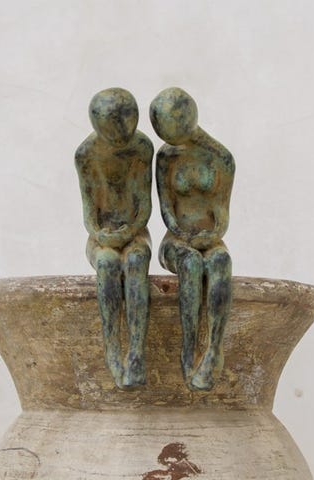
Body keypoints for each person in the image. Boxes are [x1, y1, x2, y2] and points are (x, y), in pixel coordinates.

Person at [150, 87, 235, 391]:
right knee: (191, 263)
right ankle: (188, 350)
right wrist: (184, 234)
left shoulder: (221, 157)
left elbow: (221, 213)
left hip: (210, 237)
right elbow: (167, 210)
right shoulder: (165, 157)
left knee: (221, 262)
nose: (168, 140)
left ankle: (213, 349)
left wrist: (211, 235)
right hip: (177, 239)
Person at [75, 88, 153, 388]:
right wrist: (101, 234)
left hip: (135, 231)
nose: (121, 135)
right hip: (102, 235)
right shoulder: (86, 154)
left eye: (127, 126)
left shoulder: (142, 148)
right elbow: (89, 211)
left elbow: (144, 204)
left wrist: (129, 231)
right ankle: (112, 350)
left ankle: (136, 353)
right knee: (107, 263)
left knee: (137, 259)